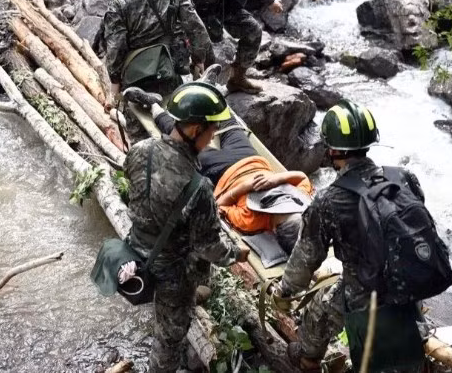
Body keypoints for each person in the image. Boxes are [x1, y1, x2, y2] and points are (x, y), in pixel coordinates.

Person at [275, 99, 432, 372]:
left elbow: (305, 259)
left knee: (320, 311)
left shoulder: (329, 201)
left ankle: (306, 359)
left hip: (363, 295)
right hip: (408, 286)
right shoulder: (405, 178)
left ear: (333, 149)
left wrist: (284, 291)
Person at [124, 81, 248, 373]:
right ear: (194, 131)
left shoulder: (141, 149)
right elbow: (208, 247)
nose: (214, 136)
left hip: (137, 246)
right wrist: (236, 254)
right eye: (211, 131)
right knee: (169, 338)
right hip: (172, 270)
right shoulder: (198, 187)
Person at [124, 84, 312, 253]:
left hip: (222, 172)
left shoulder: (252, 221)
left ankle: (153, 106)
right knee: (232, 129)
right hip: (252, 160)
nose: (285, 209)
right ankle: (209, 92)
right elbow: (303, 178)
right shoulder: (301, 202)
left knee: (185, 138)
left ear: (275, 229)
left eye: (284, 216)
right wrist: (276, 179)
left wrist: (244, 187)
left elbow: (219, 206)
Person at [103, 0, 214, 103]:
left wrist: (114, 86)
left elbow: (115, 49)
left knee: (138, 124)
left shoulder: (118, 2)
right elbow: (197, 28)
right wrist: (199, 60)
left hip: (138, 80)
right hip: (172, 71)